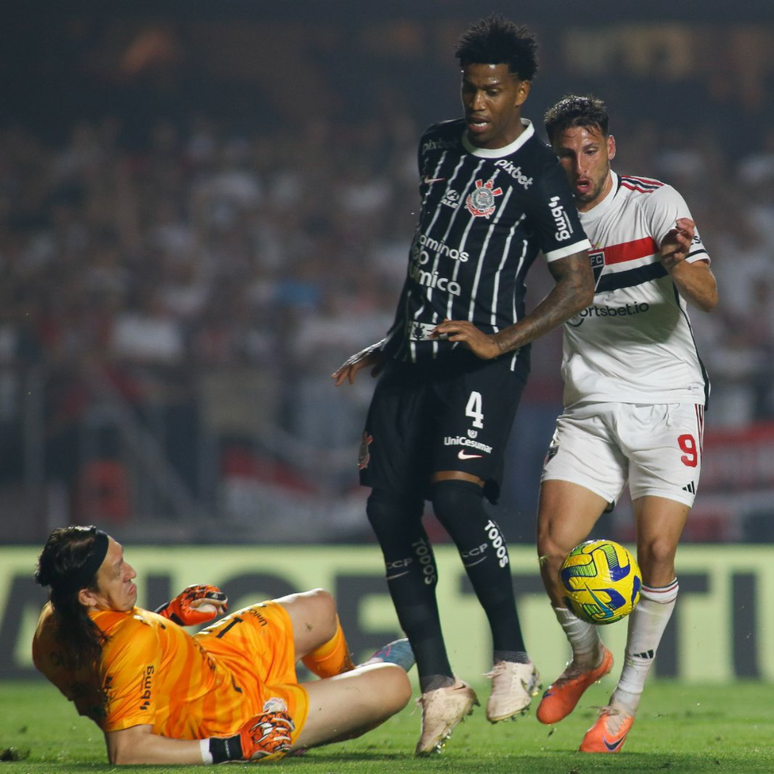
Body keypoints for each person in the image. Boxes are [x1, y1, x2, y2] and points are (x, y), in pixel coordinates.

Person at [333, 15, 593, 754]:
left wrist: (499, 338)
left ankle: (513, 655)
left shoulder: (540, 174)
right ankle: (440, 685)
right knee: (389, 511)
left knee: (453, 494)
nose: (477, 103)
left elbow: (577, 284)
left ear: (521, 92)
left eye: (492, 90)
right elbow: (430, 256)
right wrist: (390, 338)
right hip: (414, 358)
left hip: (484, 361)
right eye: (469, 89)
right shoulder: (437, 145)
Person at [532, 95, 718, 753]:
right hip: (587, 407)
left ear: (610, 148)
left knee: (658, 554)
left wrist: (675, 264)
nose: (578, 166)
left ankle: (623, 706)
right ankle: (587, 659)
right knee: (554, 550)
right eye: (566, 154)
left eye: (589, 150)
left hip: (668, 401)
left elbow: (709, 295)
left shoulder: (655, 202)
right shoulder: (545, 216)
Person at [32, 526, 414, 765]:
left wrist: (170, 618)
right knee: (395, 683)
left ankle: (345, 693)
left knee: (321, 606)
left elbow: (115, 665)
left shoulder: (52, 624)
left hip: (215, 661)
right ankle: (332, 710)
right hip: (233, 716)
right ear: (86, 595)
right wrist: (232, 747)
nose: (131, 572)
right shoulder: (128, 643)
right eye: (117, 571)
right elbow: (127, 751)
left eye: (123, 559)